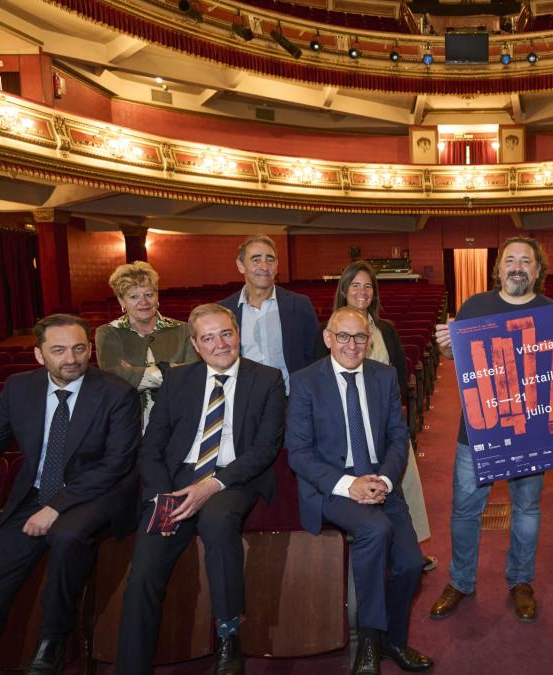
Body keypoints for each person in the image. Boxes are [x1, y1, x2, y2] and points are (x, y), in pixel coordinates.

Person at [0, 314, 140, 675]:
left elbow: (115, 465)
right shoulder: (18, 388)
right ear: (39, 355)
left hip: (95, 493)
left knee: (67, 536)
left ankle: (52, 640)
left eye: (79, 348)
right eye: (58, 350)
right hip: (34, 497)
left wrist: (57, 506)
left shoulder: (117, 393)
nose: (71, 358)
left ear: (90, 348)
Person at [116, 304, 286, 675]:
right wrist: (164, 494)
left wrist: (211, 485)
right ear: (195, 344)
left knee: (217, 519)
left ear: (238, 334)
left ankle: (228, 635)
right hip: (175, 482)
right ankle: (132, 666)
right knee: (144, 570)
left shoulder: (267, 379)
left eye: (226, 333)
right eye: (208, 337)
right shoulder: (178, 381)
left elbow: (264, 449)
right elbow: (152, 445)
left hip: (233, 476)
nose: (219, 344)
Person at [429, 236, 553, 623]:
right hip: (479, 432)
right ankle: (461, 581)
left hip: (534, 432)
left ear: (537, 269)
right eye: (510, 260)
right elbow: (458, 360)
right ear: (498, 268)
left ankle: (520, 581)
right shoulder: (475, 306)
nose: (517, 267)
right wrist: (447, 345)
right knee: (466, 510)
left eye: (526, 261)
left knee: (527, 509)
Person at [287, 307, 434, 675]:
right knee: (375, 529)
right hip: (331, 485)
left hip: (380, 480)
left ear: (370, 340)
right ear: (327, 338)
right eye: (343, 336)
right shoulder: (305, 381)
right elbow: (299, 453)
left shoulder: (384, 376)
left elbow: (399, 437)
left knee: (412, 564)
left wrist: (384, 480)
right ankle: (369, 640)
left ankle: (392, 640)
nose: (352, 345)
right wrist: (349, 485)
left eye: (360, 337)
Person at [316, 261, 434, 566]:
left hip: (385, 429)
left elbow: (401, 375)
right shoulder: (332, 331)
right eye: (354, 285)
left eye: (368, 286)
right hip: (349, 432)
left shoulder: (386, 330)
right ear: (343, 290)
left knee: (402, 490)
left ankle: (410, 552)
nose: (362, 291)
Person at [95, 261, 200, 427]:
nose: (143, 302)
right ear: (121, 301)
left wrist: (134, 373)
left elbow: (193, 376)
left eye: (149, 294)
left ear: (157, 296)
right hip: (127, 423)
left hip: (177, 419)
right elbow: (114, 381)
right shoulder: (108, 333)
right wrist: (170, 370)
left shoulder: (183, 329)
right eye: (134, 297)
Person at [218, 235, 318, 391]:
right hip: (245, 400)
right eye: (256, 259)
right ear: (241, 265)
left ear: (277, 265)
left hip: (291, 400)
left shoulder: (299, 305)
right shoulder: (224, 310)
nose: (264, 266)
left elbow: (314, 356)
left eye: (270, 260)